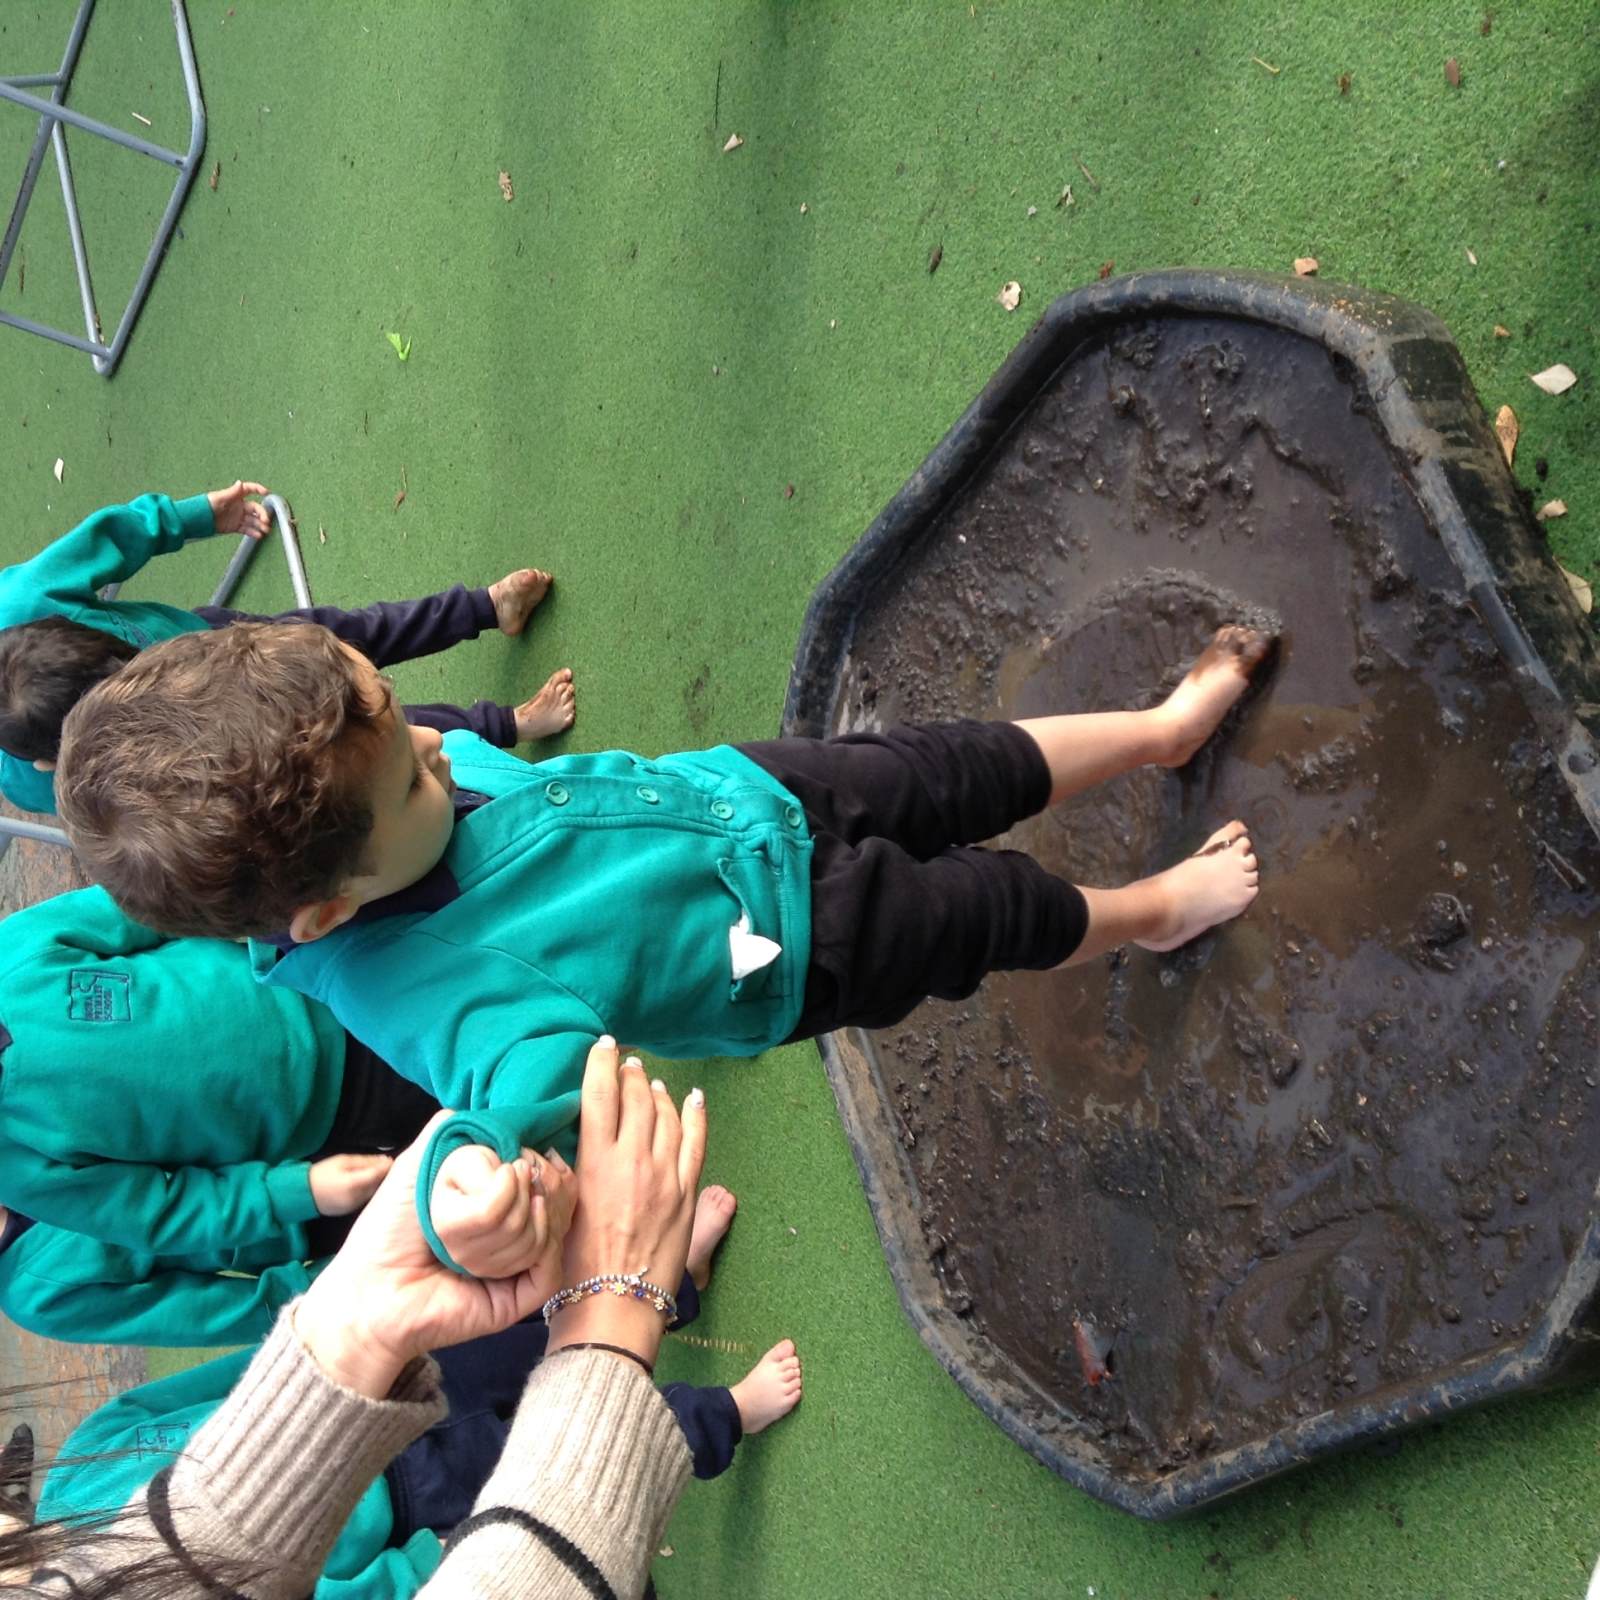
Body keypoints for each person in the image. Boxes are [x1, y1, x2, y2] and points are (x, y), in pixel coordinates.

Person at [54, 617, 1267, 1267]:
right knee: (990, 906)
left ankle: (1161, 731)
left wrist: (454, 736)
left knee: (951, 764)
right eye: (413, 777)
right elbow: (503, 1102)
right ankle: (1150, 913)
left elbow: (425, 745)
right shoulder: (426, 990)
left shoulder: (366, 796)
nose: (432, 746)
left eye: (398, 714)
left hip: (738, 793)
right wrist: (459, 1186)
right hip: (787, 943)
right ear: (325, 911)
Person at [2, 1039, 790, 1600]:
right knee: (541, 1433)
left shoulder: (79, 1474)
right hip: (408, 1507)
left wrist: (355, 1327)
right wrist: (612, 1313)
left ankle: (674, 1283)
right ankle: (721, 1414)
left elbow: (193, 1528)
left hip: (381, 1411)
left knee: (520, 1342)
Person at [0, 481, 576, 814]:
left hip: (225, 647)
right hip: (232, 743)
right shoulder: (38, 778)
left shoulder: (26, 602)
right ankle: (507, 725)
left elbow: (113, 537)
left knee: (352, 635)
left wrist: (198, 516)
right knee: (368, 738)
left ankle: (487, 607)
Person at [0, 884, 439, 1260]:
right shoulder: (16, 1168)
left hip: (330, 974)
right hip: (340, 1111)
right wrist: (295, 1191)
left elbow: (152, 901)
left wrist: (255, 913)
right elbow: (154, 1212)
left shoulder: (14, 954)